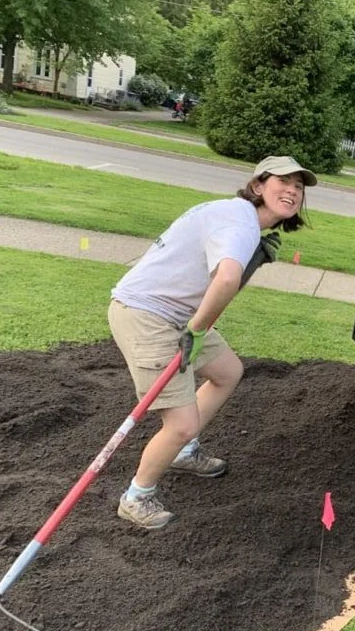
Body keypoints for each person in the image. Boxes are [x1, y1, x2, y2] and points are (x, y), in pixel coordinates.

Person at [107, 156, 316, 529]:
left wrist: (250, 263)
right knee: (181, 422)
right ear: (257, 186)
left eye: (299, 187)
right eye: (283, 181)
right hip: (147, 316)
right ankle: (137, 497)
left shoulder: (240, 220)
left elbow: (225, 276)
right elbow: (224, 281)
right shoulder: (238, 221)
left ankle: (183, 454)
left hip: (177, 314)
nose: (292, 191)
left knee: (227, 371)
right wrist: (198, 330)